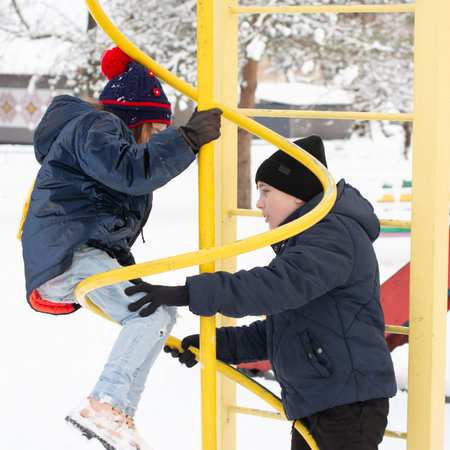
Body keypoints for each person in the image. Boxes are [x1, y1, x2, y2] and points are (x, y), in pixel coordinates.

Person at [126, 135, 397, 450]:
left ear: (298, 196)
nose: (259, 204)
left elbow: (273, 287)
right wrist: (218, 345)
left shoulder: (332, 236)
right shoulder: (308, 240)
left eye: (266, 191)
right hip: (324, 398)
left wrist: (186, 293)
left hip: (347, 402)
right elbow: (288, 328)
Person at [20, 46, 222, 450]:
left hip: (75, 254)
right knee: (146, 317)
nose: (159, 138)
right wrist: (187, 139)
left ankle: (119, 412)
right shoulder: (96, 126)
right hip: (68, 256)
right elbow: (132, 171)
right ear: (135, 120)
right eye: (156, 129)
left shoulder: (99, 137)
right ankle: (104, 404)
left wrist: (133, 276)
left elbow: (108, 215)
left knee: (157, 312)